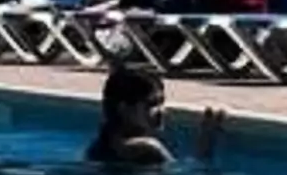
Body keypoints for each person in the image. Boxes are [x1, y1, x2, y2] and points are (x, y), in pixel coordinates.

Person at [86, 64, 226, 165]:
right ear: (124, 109)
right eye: (152, 104)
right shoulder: (148, 148)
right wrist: (207, 140)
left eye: (162, 102)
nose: (161, 111)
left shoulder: (97, 148)